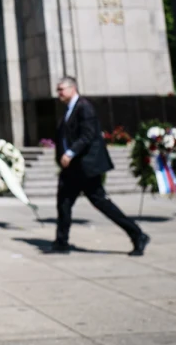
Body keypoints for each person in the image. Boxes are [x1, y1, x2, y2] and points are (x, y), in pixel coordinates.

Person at [51, 76, 149, 256]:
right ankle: (61, 241)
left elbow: (87, 135)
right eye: (57, 90)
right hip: (72, 168)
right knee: (63, 202)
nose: (58, 94)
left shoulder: (84, 107)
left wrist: (70, 152)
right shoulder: (69, 110)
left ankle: (137, 234)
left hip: (85, 167)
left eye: (61, 90)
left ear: (72, 88)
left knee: (101, 202)